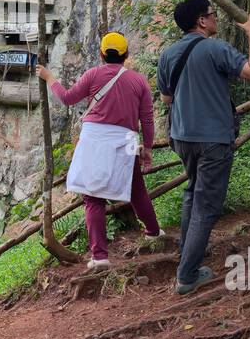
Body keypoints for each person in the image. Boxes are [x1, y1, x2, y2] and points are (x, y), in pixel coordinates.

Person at [157, 0, 250, 294]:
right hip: (212, 137)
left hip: (182, 137)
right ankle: (187, 275)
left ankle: (188, 254)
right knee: (206, 205)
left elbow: (167, 98)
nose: (216, 19)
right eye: (212, 15)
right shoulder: (214, 49)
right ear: (202, 22)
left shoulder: (168, 54)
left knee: (194, 191)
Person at [37, 31, 160, 271]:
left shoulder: (93, 74)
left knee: (93, 197)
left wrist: (49, 77)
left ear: (101, 54)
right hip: (126, 138)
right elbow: (147, 118)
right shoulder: (138, 81)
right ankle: (154, 232)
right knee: (136, 188)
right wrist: (148, 146)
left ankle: (100, 256)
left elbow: (68, 98)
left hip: (94, 138)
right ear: (126, 55)